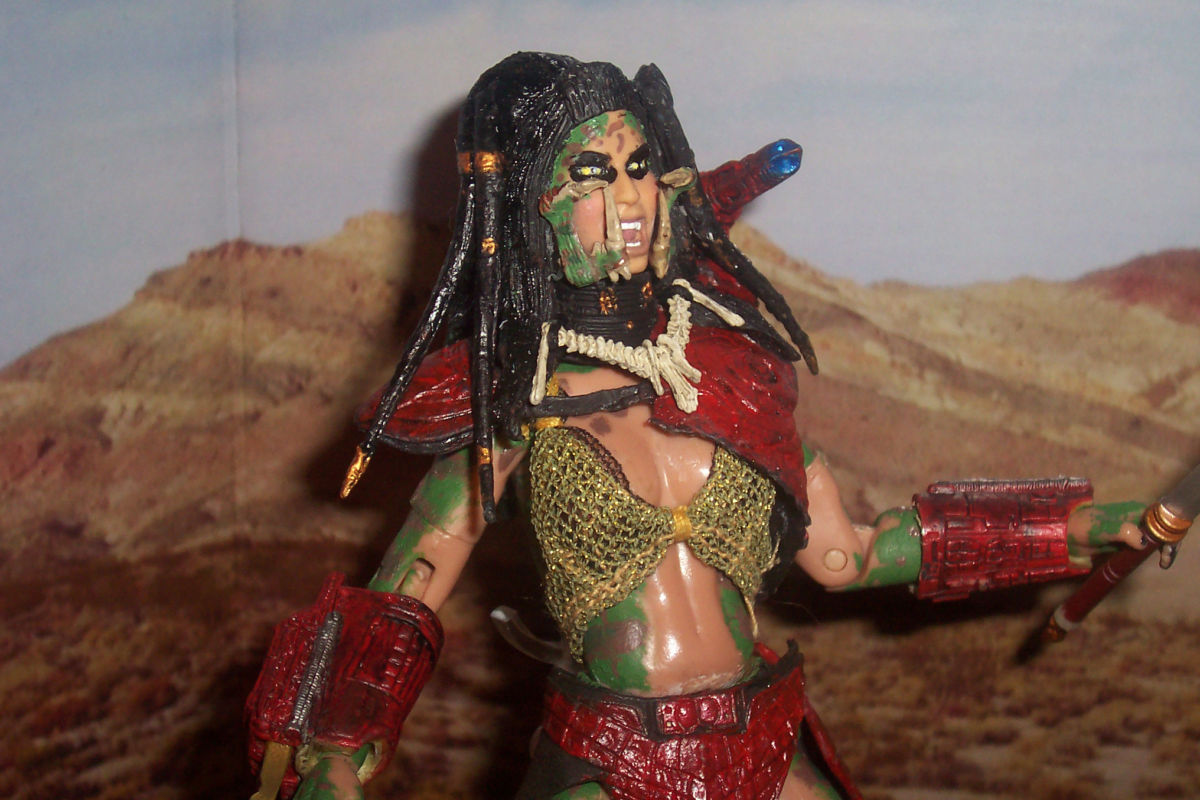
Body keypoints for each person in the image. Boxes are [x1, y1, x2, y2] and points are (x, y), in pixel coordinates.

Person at [246, 52, 1144, 800]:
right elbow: (405, 591)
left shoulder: (729, 377)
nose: (629, 199)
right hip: (612, 763)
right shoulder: (513, 407)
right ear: (533, 203)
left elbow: (849, 556)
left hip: (760, 743)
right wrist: (332, 756)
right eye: (591, 175)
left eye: (640, 167)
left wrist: (1075, 530)